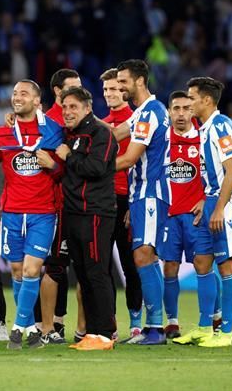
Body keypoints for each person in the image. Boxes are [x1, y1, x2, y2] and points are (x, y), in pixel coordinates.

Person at [174, 76, 232, 348]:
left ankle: (225, 333)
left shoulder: (221, 126)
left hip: (226, 205)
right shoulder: (204, 129)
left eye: (192, 98)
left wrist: (218, 208)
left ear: (206, 100)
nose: (188, 103)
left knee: (227, 265)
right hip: (211, 202)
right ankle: (205, 327)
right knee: (203, 263)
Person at [0, 80, 63, 349]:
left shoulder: (53, 132)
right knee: (17, 271)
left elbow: (65, 171)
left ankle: (16, 328)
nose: (17, 97)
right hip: (11, 213)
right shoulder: (2, 133)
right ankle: (32, 328)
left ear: (37, 102)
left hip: (43, 213)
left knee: (32, 269)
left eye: (24, 93)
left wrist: (54, 165)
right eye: (14, 93)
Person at [54, 86, 118, 351]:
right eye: (65, 107)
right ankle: (93, 331)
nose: (68, 112)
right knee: (82, 273)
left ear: (87, 108)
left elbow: (95, 168)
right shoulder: (70, 133)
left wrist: (69, 156)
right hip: (73, 213)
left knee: (97, 272)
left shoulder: (101, 133)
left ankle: (105, 334)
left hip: (95, 213)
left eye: (74, 107)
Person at [113, 59, 169, 345]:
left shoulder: (150, 114)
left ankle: (156, 327)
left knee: (143, 256)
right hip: (140, 195)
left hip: (150, 193)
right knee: (146, 257)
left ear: (139, 81)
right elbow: (113, 132)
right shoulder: (142, 113)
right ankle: (153, 326)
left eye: (122, 81)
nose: (119, 86)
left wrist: (91, 168)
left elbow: (130, 158)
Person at [161, 90, 218, 340]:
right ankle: (172, 322)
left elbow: (220, 173)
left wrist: (206, 200)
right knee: (170, 267)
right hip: (170, 215)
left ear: (193, 110)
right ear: (169, 112)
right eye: (176, 108)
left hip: (196, 215)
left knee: (203, 265)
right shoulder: (161, 140)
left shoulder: (204, 138)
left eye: (186, 108)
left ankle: (211, 317)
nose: (181, 113)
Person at [99, 68, 142, 339]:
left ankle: (136, 323)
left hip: (129, 199)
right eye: (105, 90)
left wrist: (134, 205)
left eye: (114, 89)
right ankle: (110, 324)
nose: (109, 94)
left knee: (130, 264)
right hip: (104, 199)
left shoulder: (135, 120)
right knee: (104, 267)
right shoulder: (104, 121)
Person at [39, 68, 81, 343]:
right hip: (51, 205)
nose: (76, 90)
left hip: (78, 202)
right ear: (56, 91)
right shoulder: (46, 123)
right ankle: (47, 324)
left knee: (80, 267)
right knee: (50, 266)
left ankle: (67, 324)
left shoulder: (80, 119)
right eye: (71, 87)